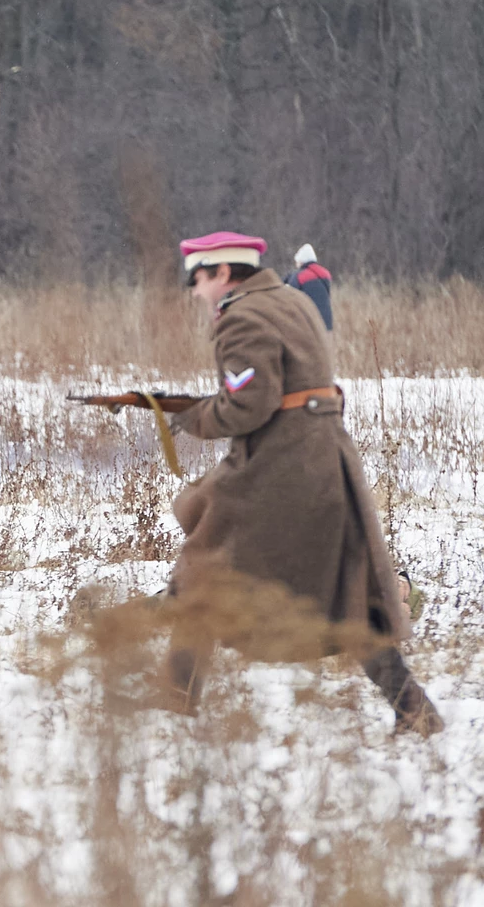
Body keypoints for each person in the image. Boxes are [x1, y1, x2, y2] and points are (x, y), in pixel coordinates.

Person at [163, 231, 441, 735]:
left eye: (198, 278)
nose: (195, 290)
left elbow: (249, 404)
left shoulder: (242, 318)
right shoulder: (292, 301)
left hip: (279, 471)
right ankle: (414, 709)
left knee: (201, 573)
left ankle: (175, 701)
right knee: (347, 595)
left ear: (223, 272)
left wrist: (193, 417)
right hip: (322, 463)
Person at [284, 243, 333, 331]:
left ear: (301, 261)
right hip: (326, 322)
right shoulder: (325, 274)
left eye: (297, 261)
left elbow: (289, 296)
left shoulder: (299, 276)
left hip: (308, 323)